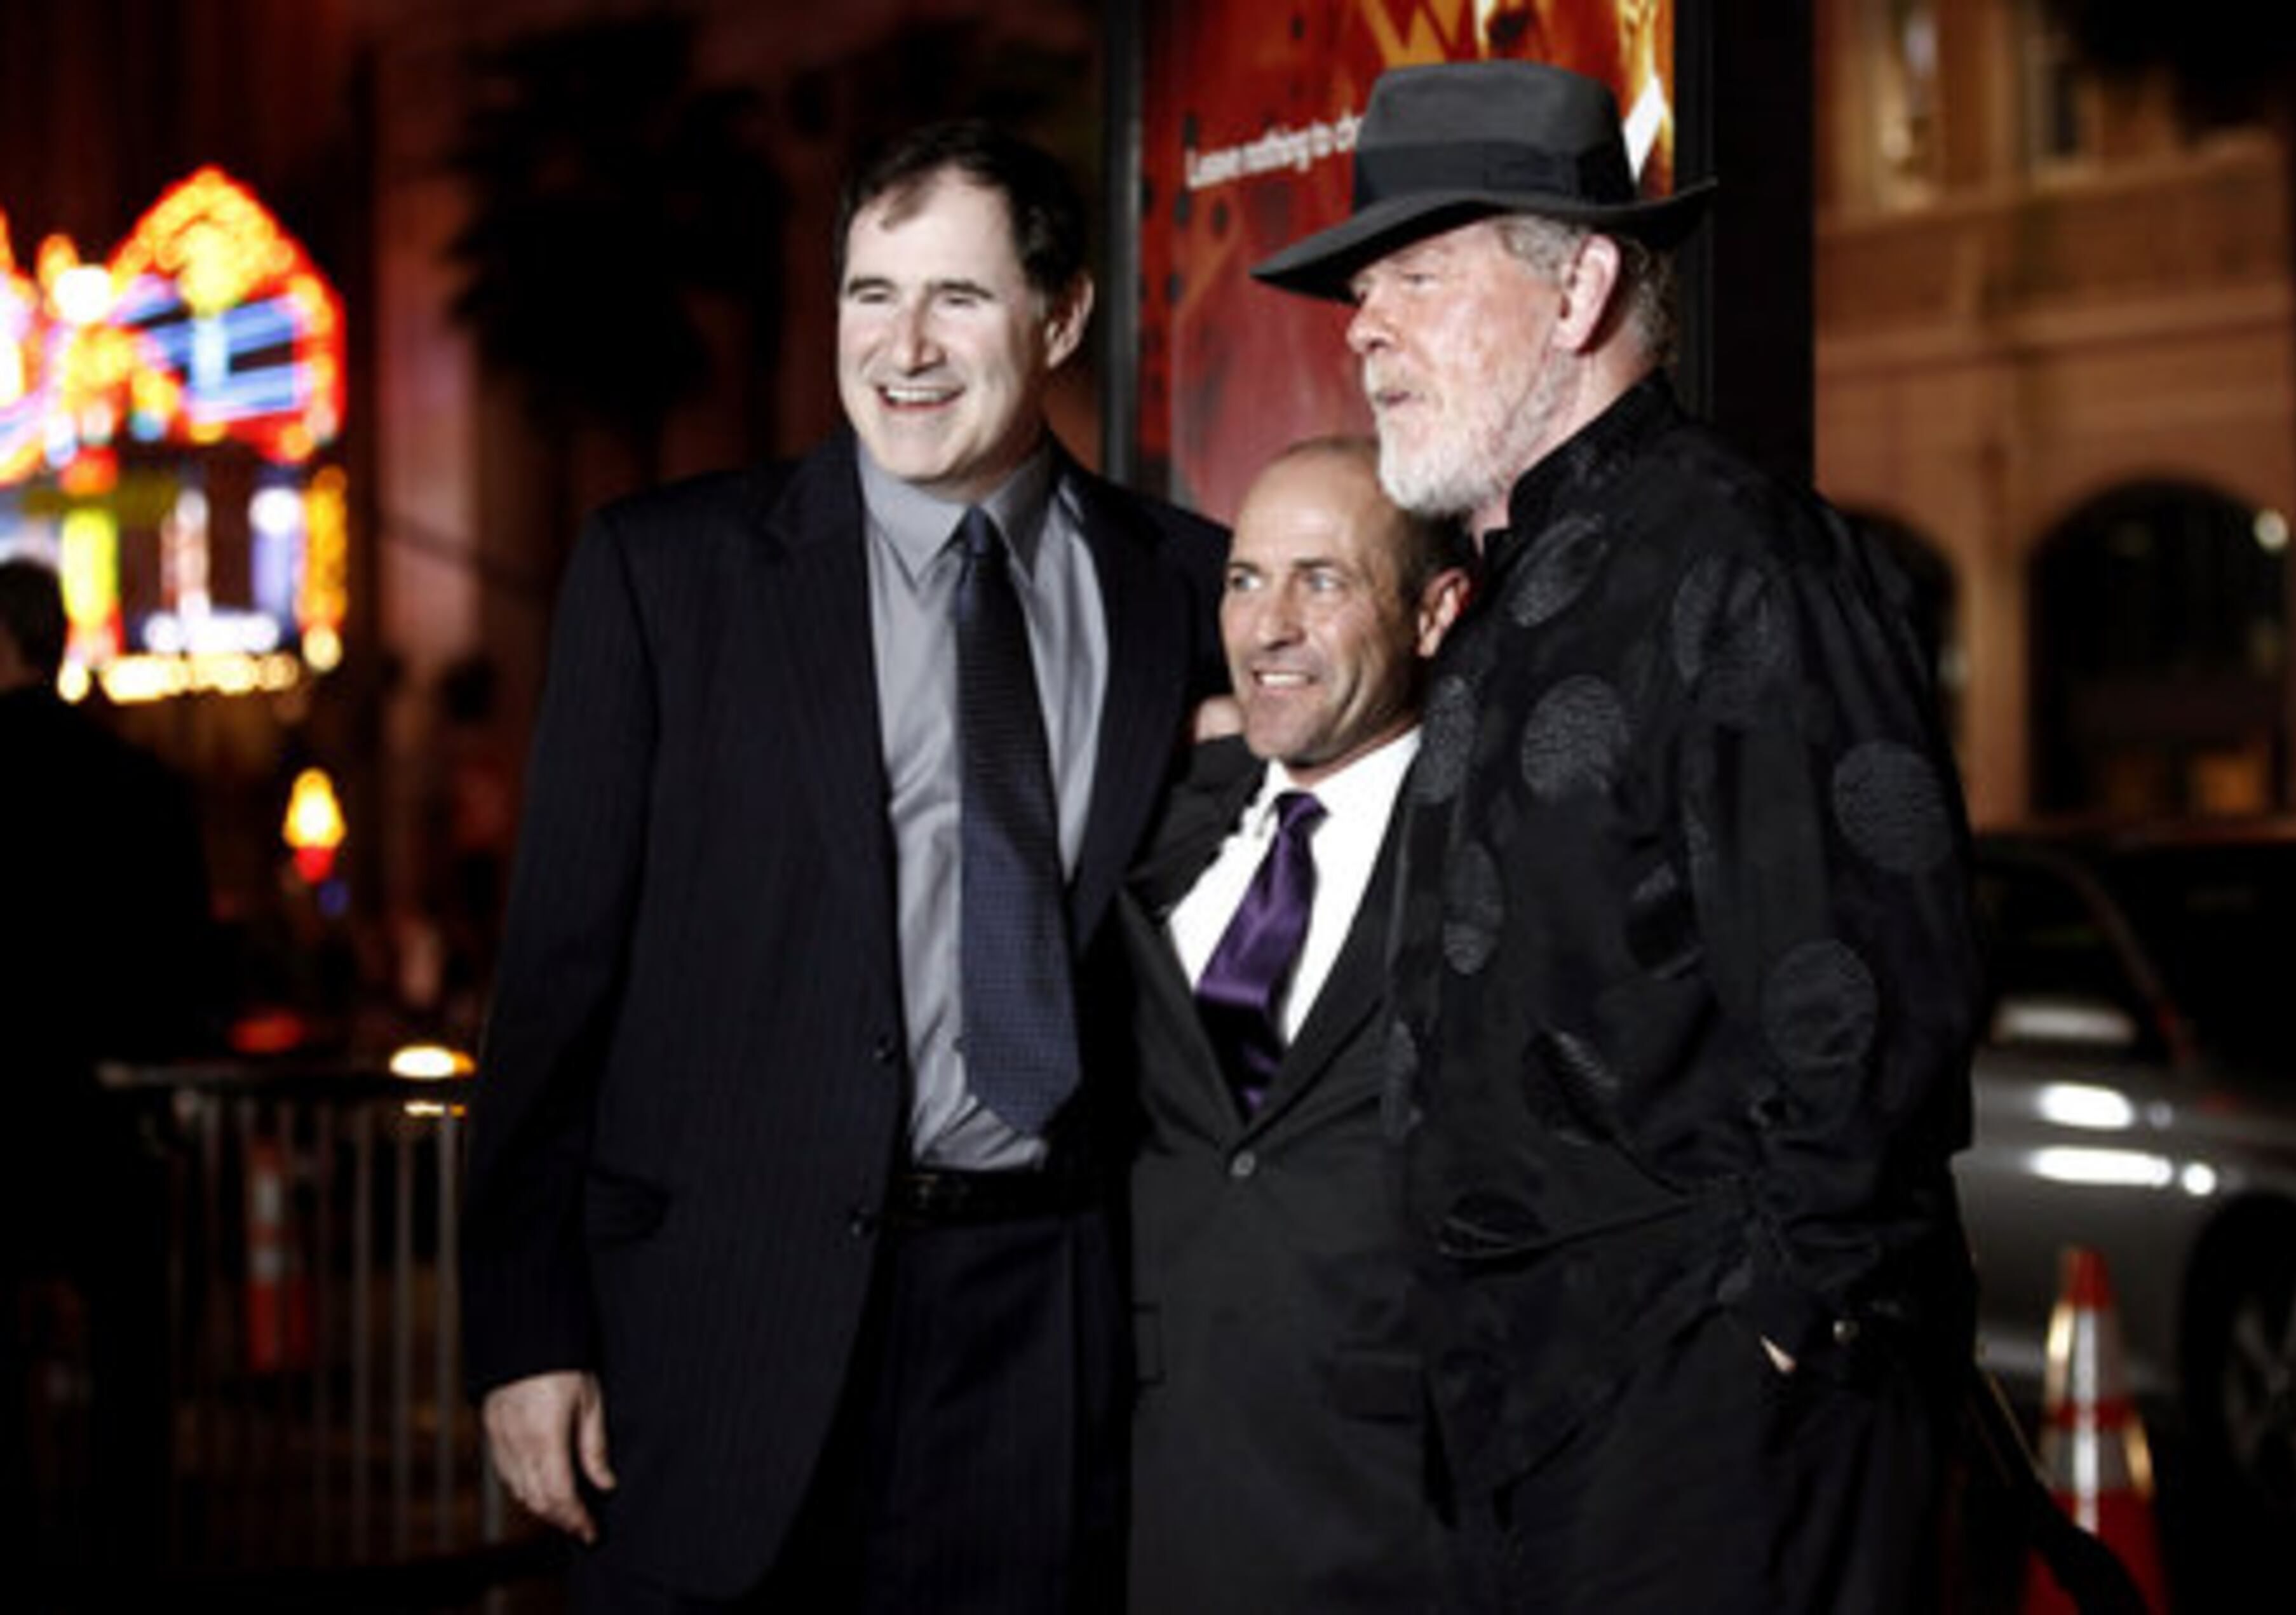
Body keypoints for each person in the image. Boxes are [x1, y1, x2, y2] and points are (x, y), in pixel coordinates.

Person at [461, 121, 1226, 1613]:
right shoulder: (669, 575)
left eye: (958, 296)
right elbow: (556, 973)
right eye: (871, 295)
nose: (907, 346)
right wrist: (523, 1325)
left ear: (1061, 317)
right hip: (721, 1325)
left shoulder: (1187, 589)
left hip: (1041, 1324)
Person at [1253, 61, 1982, 1612]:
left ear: (1581, 283)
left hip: (1716, 1441)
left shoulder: (1740, 557)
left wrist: (1766, 1340)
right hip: (1530, 1430)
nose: (1364, 325)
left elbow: (1874, 1007)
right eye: (1360, 287)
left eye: (1416, 277)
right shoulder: (1508, 584)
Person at [1119, 438, 1470, 1614]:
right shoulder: (1158, 826)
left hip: (1397, 1522)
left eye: (1321, 581)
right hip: (1153, 1501)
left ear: (1435, 612)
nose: (1267, 624)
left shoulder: (1493, 856)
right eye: (1245, 579)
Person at [0, 555, 213, 1572]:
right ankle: (136, 1557)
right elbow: (187, 956)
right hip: (116, 1108)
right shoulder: (138, 781)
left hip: (6, 1110)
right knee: (133, 1364)